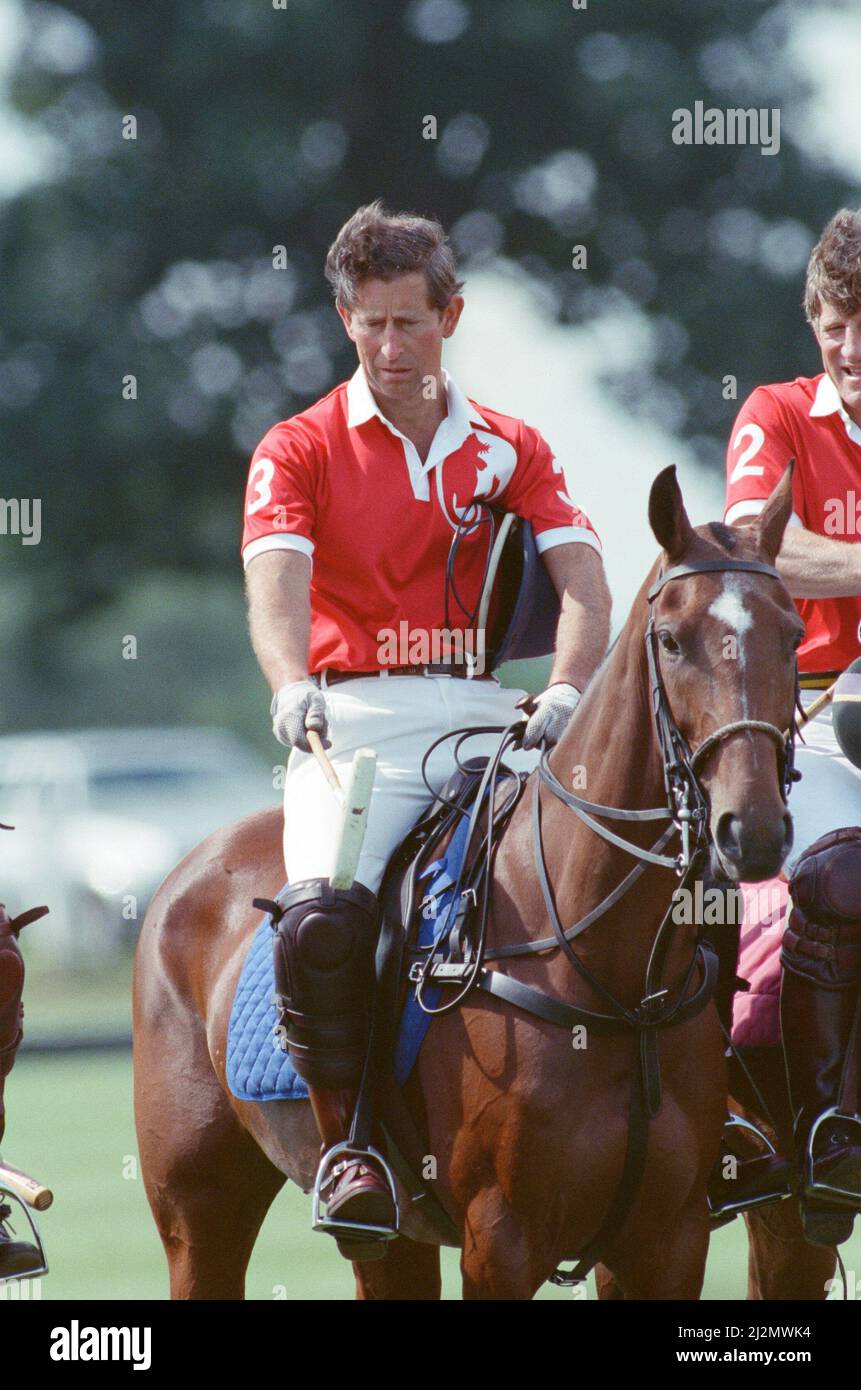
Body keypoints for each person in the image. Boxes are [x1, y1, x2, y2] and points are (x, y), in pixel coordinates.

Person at [241, 201, 611, 1252]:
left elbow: (584, 583)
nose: (392, 348)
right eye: (371, 324)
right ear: (346, 318)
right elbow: (276, 585)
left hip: (496, 715)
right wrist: (286, 679)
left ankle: (694, 1099)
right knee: (318, 918)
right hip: (353, 721)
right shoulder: (297, 446)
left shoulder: (512, 446)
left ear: (452, 314)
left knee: (633, 860)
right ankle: (352, 1141)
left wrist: (570, 689)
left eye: (412, 323)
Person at [723, 207, 861, 1245]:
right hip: (819, 717)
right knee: (834, 882)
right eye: (833, 322)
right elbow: (768, 547)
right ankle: (825, 1125)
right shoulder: (775, 414)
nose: (850, 348)